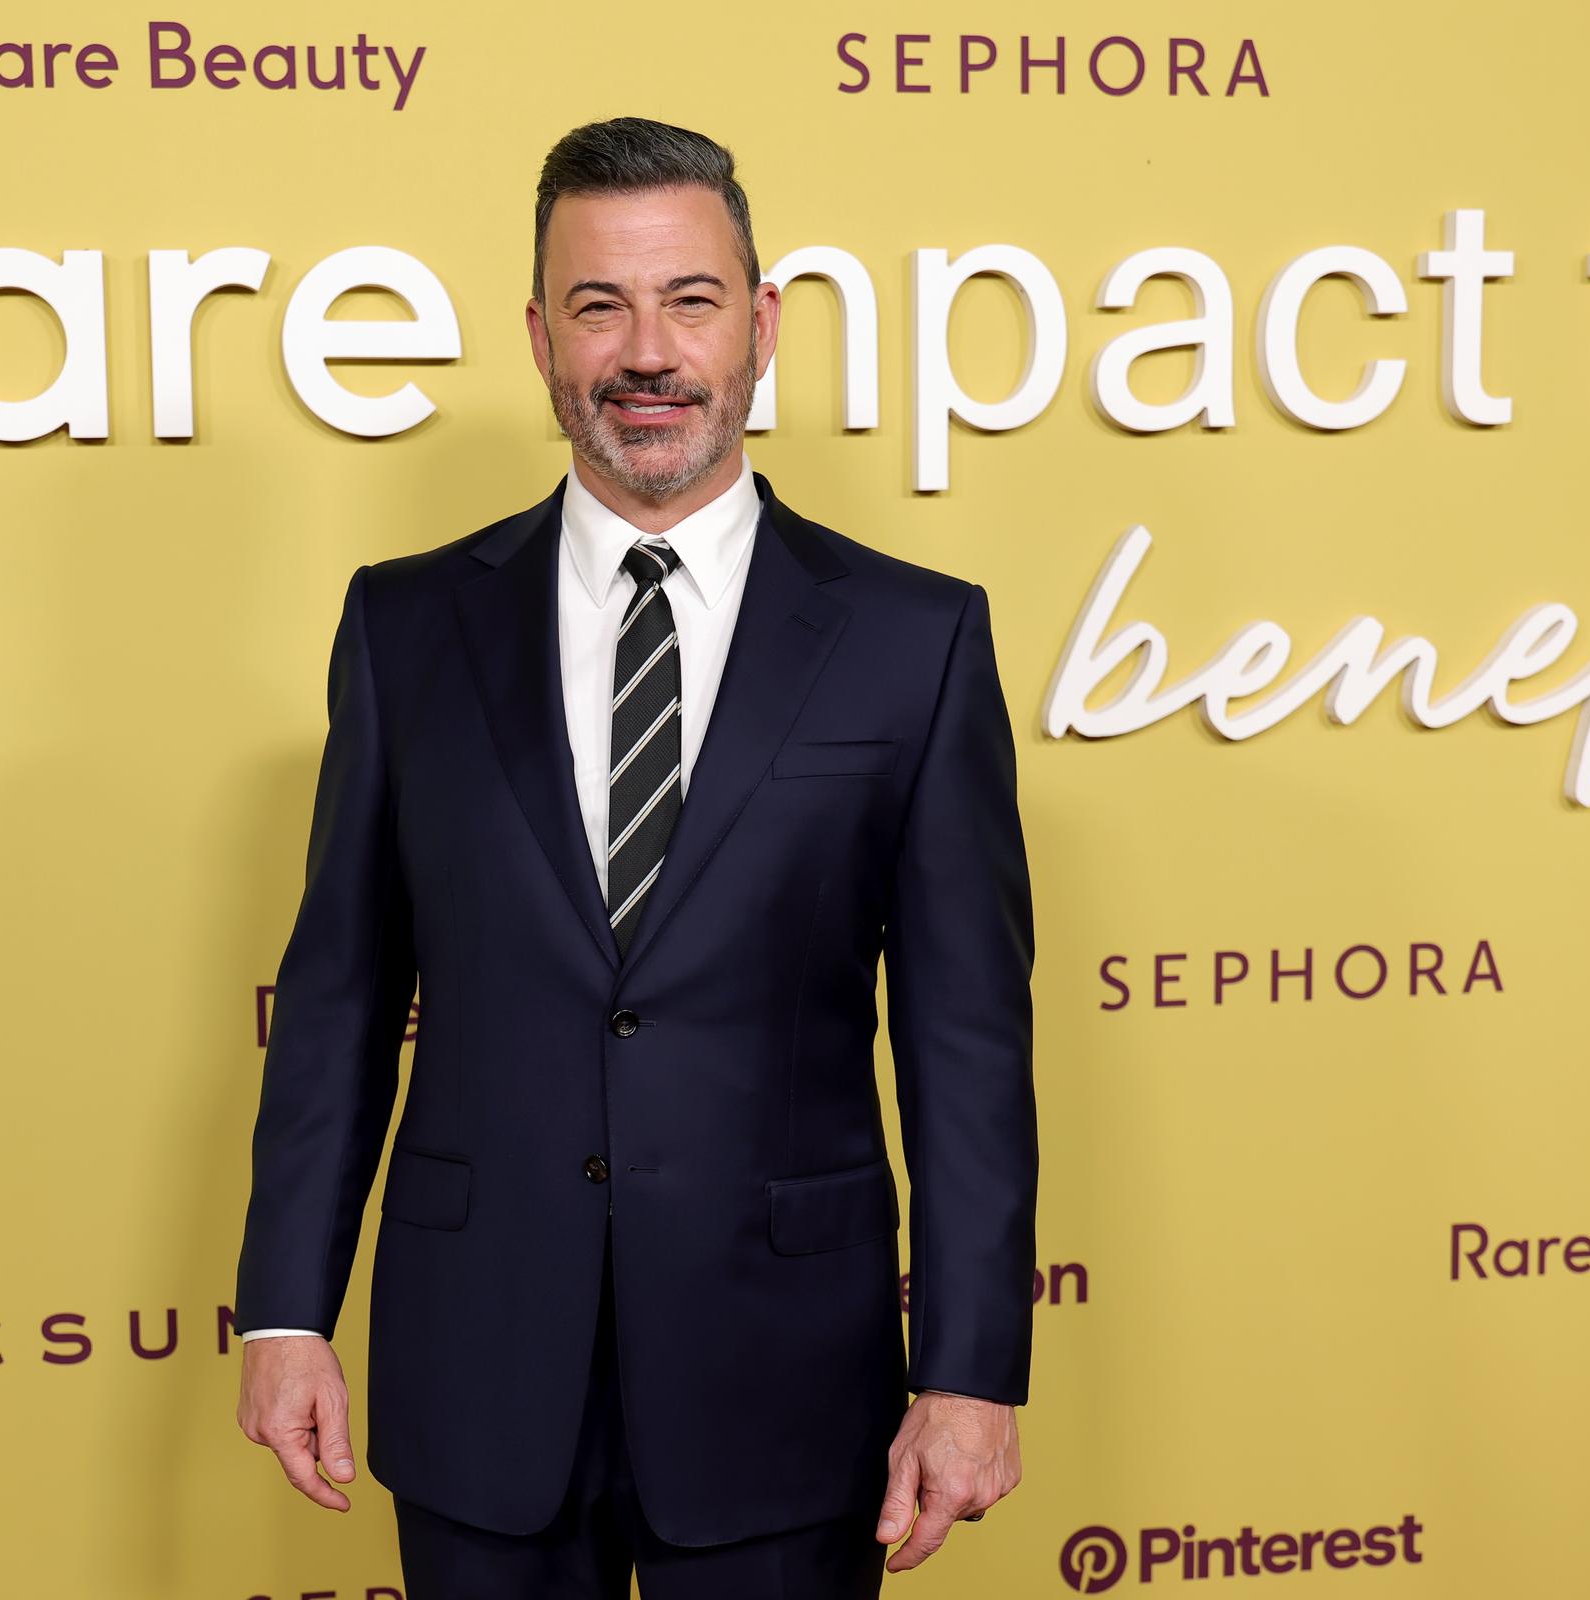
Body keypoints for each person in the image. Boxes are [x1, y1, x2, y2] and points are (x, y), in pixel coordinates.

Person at [233, 115, 1038, 1598]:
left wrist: (973, 1372)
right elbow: (340, 997)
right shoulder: (407, 629)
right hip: (479, 1368)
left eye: (689, 300)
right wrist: (285, 1308)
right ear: (541, 338)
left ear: (764, 324)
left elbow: (966, 1043)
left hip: (786, 1374)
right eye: (600, 306)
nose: (646, 351)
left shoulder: (914, 642)